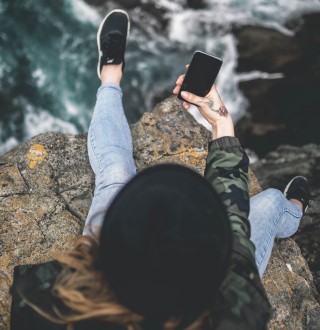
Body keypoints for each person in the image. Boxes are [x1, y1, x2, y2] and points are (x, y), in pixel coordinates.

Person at [10, 9, 310, 330]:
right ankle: (295, 210)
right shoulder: (235, 308)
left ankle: (110, 75)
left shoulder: (45, 308)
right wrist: (221, 121)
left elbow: (231, 233)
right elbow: (235, 227)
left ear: (107, 251)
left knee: (114, 172)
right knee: (272, 202)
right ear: (207, 271)